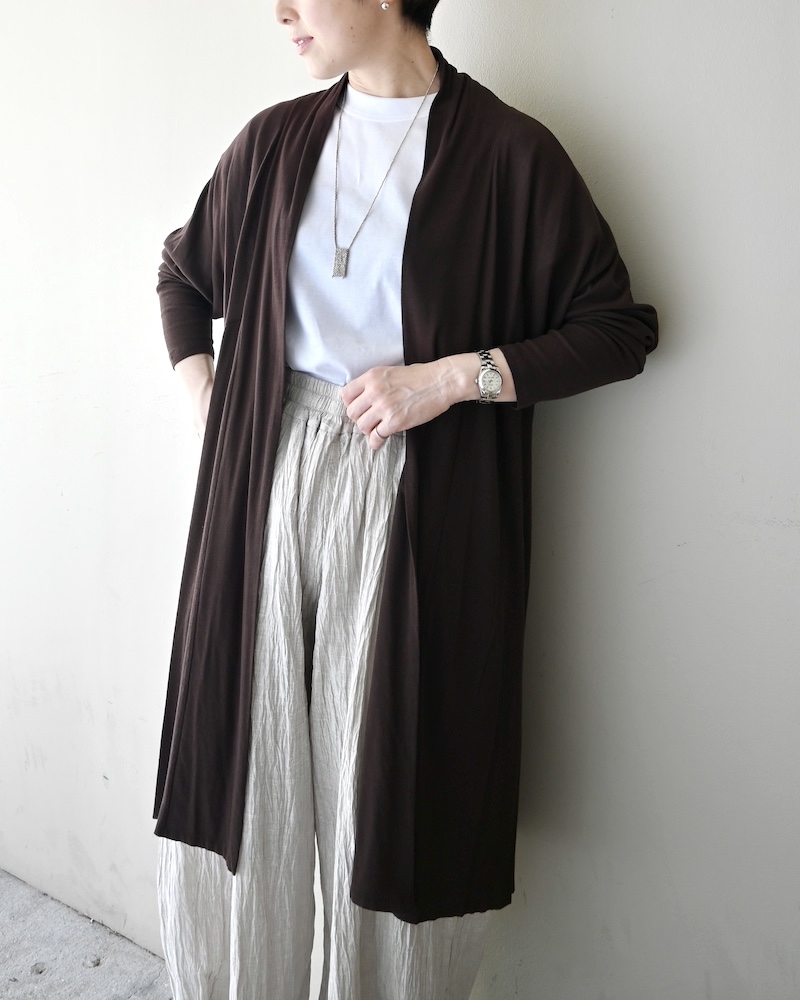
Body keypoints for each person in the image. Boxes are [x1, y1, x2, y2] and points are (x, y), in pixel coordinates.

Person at [153, 0, 658, 997]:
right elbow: (181, 274)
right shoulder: (275, 142)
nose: (280, 10)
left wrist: (449, 378)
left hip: (417, 496)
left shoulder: (510, 155)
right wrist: (215, 405)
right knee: (245, 774)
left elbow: (615, 329)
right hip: (262, 481)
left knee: (385, 788)